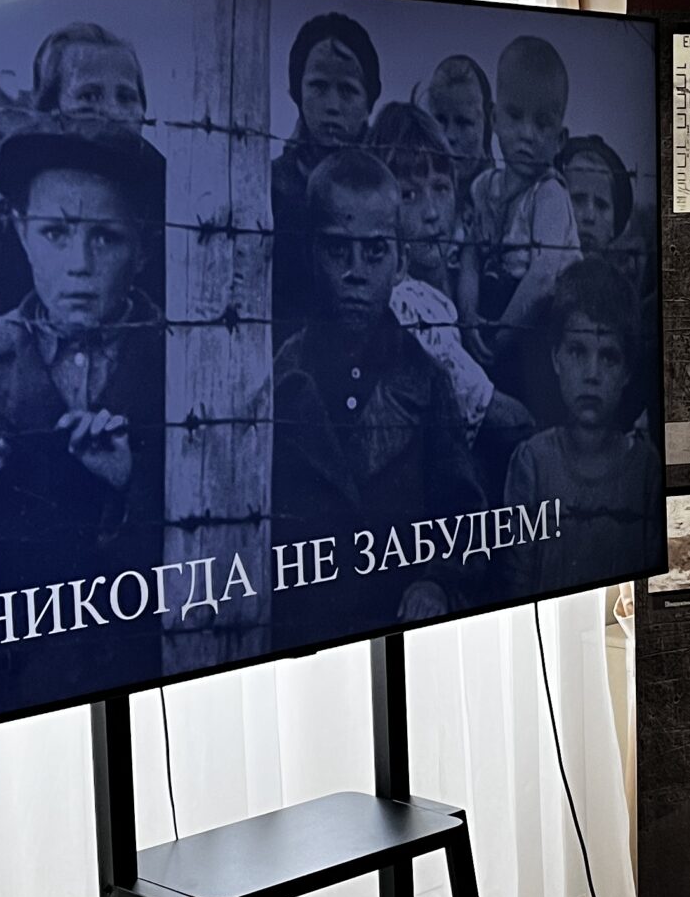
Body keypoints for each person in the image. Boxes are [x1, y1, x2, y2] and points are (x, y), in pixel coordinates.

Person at [0, 120, 166, 701]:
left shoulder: (183, 365)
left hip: (154, 670)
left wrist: (132, 486)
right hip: (23, 689)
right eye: (55, 233)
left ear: (144, 248)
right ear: (22, 234)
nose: (79, 263)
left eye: (106, 237)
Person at [270, 150, 483, 643]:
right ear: (312, 254)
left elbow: (463, 514)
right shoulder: (281, 376)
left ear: (401, 261)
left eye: (374, 252)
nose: (356, 272)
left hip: (398, 624)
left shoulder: (427, 380)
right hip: (302, 631)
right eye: (337, 251)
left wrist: (436, 580)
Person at [0, 22, 166, 339]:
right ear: (49, 112)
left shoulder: (170, 225)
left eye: (126, 97)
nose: (112, 112)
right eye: (89, 96)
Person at [368, 101, 532, 492]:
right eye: (409, 195)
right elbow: (504, 419)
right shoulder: (404, 302)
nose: (431, 213)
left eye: (441, 188)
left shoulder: (463, 277)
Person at [503, 258, 660, 596]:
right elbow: (515, 583)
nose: (592, 374)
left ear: (627, 371)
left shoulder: (647, 469)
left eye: (609, 357)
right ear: (556, 358)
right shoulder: (532, 463)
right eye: (577, 351)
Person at [460, 35, 580, 407]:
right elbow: (470, 255)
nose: (527, 134)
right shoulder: (484, 187)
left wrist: (497, 339)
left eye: (542, 123)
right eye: (515, 116)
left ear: (560, 139)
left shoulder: (549, 195)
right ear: (494, 118)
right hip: (493, 314)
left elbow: (542, 279)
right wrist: (468, 316)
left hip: (538, 329)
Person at [271, 10, 381, 343]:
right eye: (318, 86)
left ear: (369, 102)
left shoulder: (389, 190)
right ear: (297, 92)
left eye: (348, 90)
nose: (332, 105)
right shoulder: (271, 187)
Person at [418, 53, 494, 209]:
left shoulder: (500, 203)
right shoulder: (415, 198)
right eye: (440, 120)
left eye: (463, 122)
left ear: (489, 122)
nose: (449, 136)